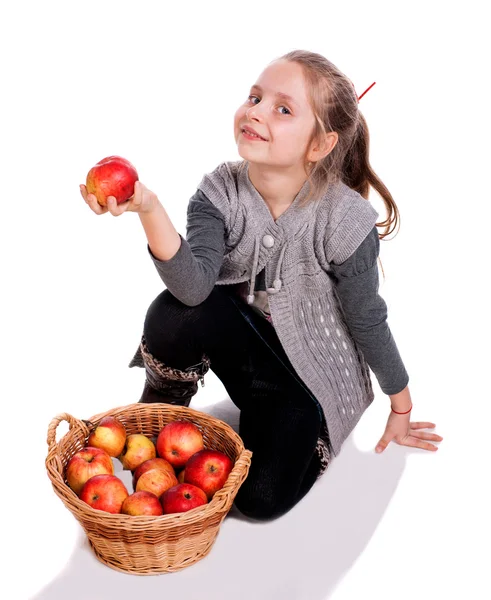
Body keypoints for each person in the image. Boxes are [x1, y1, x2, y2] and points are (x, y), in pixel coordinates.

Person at [80, 50, 443, 521]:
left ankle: (279, 430)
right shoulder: (219, 193)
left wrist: (401, 405)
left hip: (311, 382)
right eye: (254, 97)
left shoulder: (345, 221)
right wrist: (148, 207)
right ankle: (164, 409)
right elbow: (193, 289)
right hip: (249, 355)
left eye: (282, 108)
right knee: (175, 310)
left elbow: (367, 319)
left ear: (319, 145)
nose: (255, 110)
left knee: (258, 500)